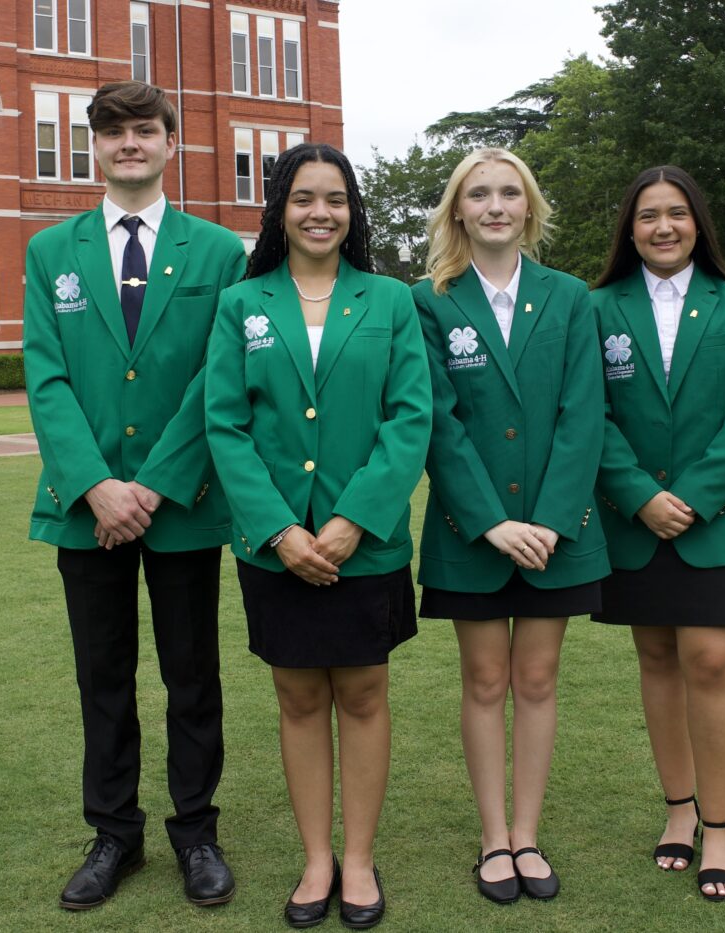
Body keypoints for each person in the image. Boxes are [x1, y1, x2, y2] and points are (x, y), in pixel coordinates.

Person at [22, 80, 246, 911]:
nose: (129, 144)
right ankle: (115, 832)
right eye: (113, 133)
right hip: (86, 512)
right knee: (102, 676)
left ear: (168, 143)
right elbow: (46, 377)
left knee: (192, 675)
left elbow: (216, 380)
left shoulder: (219, 253)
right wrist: (95, 486)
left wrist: (149, 484)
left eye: (144, 131)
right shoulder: (52, 251)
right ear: (95, 147)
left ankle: (197, 832)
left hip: (180, 504)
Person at [205, 142, 431, 929]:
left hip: (363, 545)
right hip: (275, 549)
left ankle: (359, 858)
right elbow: (225, 425)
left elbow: (411, 419)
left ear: (352, 211)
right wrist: (277, 529)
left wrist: (350, 521)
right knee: (298, 698)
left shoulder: (391, 301)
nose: (320, 212)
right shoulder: (242, 304)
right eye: (303, 197)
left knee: (364, 695)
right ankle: (316, 859)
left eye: (335, 198)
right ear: (279, 209)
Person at [413, 148, 608, 904]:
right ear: (457, 210)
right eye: (479, 194)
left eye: (509, 193)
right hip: (473, 536)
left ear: (529, 208)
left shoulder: (570, 297)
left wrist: (551, 522)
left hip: (555, 533)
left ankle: (528, 834)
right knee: (486, 680)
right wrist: (492, 522)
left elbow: (581, 414)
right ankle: (493, 836)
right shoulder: (428, 300)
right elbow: (438, 421)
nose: (495, 205)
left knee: (536, 678)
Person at [590, 165, 725, 902]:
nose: (662, 227)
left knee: (710, 662)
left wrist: (690, 498)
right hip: (634, 521)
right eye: (647, 216)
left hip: (716, 520)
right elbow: (589, 412)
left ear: (698, 223)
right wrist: (638, 494)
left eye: (676, 214)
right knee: (658, 659)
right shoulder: (599, 308)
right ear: (628, 230)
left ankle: (720, 826)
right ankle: (677, 809)